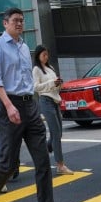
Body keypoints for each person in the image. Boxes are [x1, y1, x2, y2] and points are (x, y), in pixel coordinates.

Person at [0, 7, 54, 202]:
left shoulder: (23, 46)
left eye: (22, 20)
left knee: (43, 163)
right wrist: (9, 106)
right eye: (15, 20)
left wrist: (34, 106)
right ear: (5, 23)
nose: (19, 23)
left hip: (30, 106)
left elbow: (27, 79)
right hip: (9, 104)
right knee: (8, 164)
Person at [32, 45, 73, 176]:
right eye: (43, 54)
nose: (46, 57)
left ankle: (47, 147)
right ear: (38, 55)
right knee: (56, 133)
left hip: (55, 100)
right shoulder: (36, 69)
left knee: (59, 132)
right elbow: (36, 87)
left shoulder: (50, 68)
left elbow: (55, 87)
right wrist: (51, 83)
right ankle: (60, 165)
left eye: (47, 54)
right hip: (45, 101)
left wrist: (58, 84)